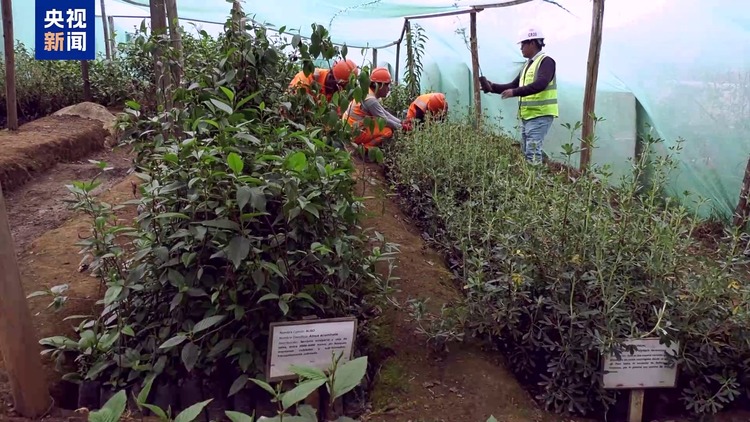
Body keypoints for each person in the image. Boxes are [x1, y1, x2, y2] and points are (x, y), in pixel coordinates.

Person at [479, 27, 558, 164]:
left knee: (532, 152)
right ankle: (532, 180)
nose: (521, 48)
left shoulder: (546, 62)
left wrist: (514, 92)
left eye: (523, 44)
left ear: (532, 43)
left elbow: (541, 84)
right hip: (528, 115)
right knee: (527, 151)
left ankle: (534, 182)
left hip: (540, 115)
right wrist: (492, 87)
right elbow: (514, 85)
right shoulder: (528, 65)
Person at [342, 67, 409, 149]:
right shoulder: (371, 100)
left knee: (377, 123)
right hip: (354, 132)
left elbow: (384, 112)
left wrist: (401, 122)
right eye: (387, 85)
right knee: (387, 131)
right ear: (379, 86)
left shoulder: (367, 91)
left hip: (350, 125)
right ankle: (366, 148)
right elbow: (384, 120)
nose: (389, 89)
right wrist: (401, 127)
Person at [288, 58, 359, 105]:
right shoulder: (305, 79)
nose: (340, 90)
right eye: (339, 86)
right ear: (331, 76)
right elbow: (293, 103)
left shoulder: (336, 93)